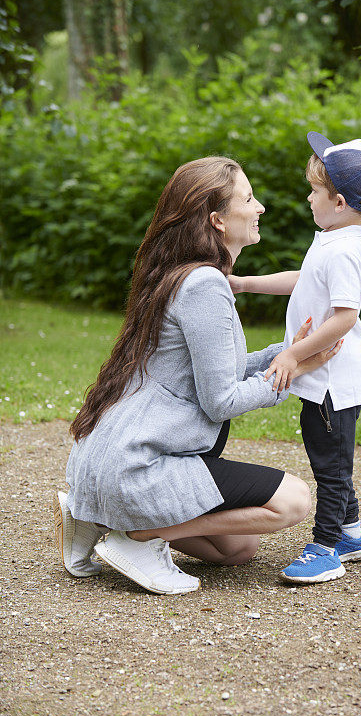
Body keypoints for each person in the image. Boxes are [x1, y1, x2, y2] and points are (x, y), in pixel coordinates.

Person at [54, 156, 342, 595]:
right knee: (293, 502)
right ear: (218, 220)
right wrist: (291, 372)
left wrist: (282, 354)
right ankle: (139, 537)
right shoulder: (204, 285)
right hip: (140, 465)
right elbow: (220, 400)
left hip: (106, 462)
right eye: (248, 199)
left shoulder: (176, 276)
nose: (260, 207)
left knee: (237, 549)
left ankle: (92, 517)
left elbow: (215, 371)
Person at [228, 132, 361, 584]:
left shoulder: (344, 250)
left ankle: (326, 547)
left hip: (333, 382)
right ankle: (353, 534)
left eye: (314, 190)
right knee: (329, 457)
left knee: (330, 468)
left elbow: (343, 317)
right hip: (324, 379)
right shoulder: (333, 238)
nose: (307, 196)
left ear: (338, 201)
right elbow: (304, 280)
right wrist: (245, 283)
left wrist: (293, 354)